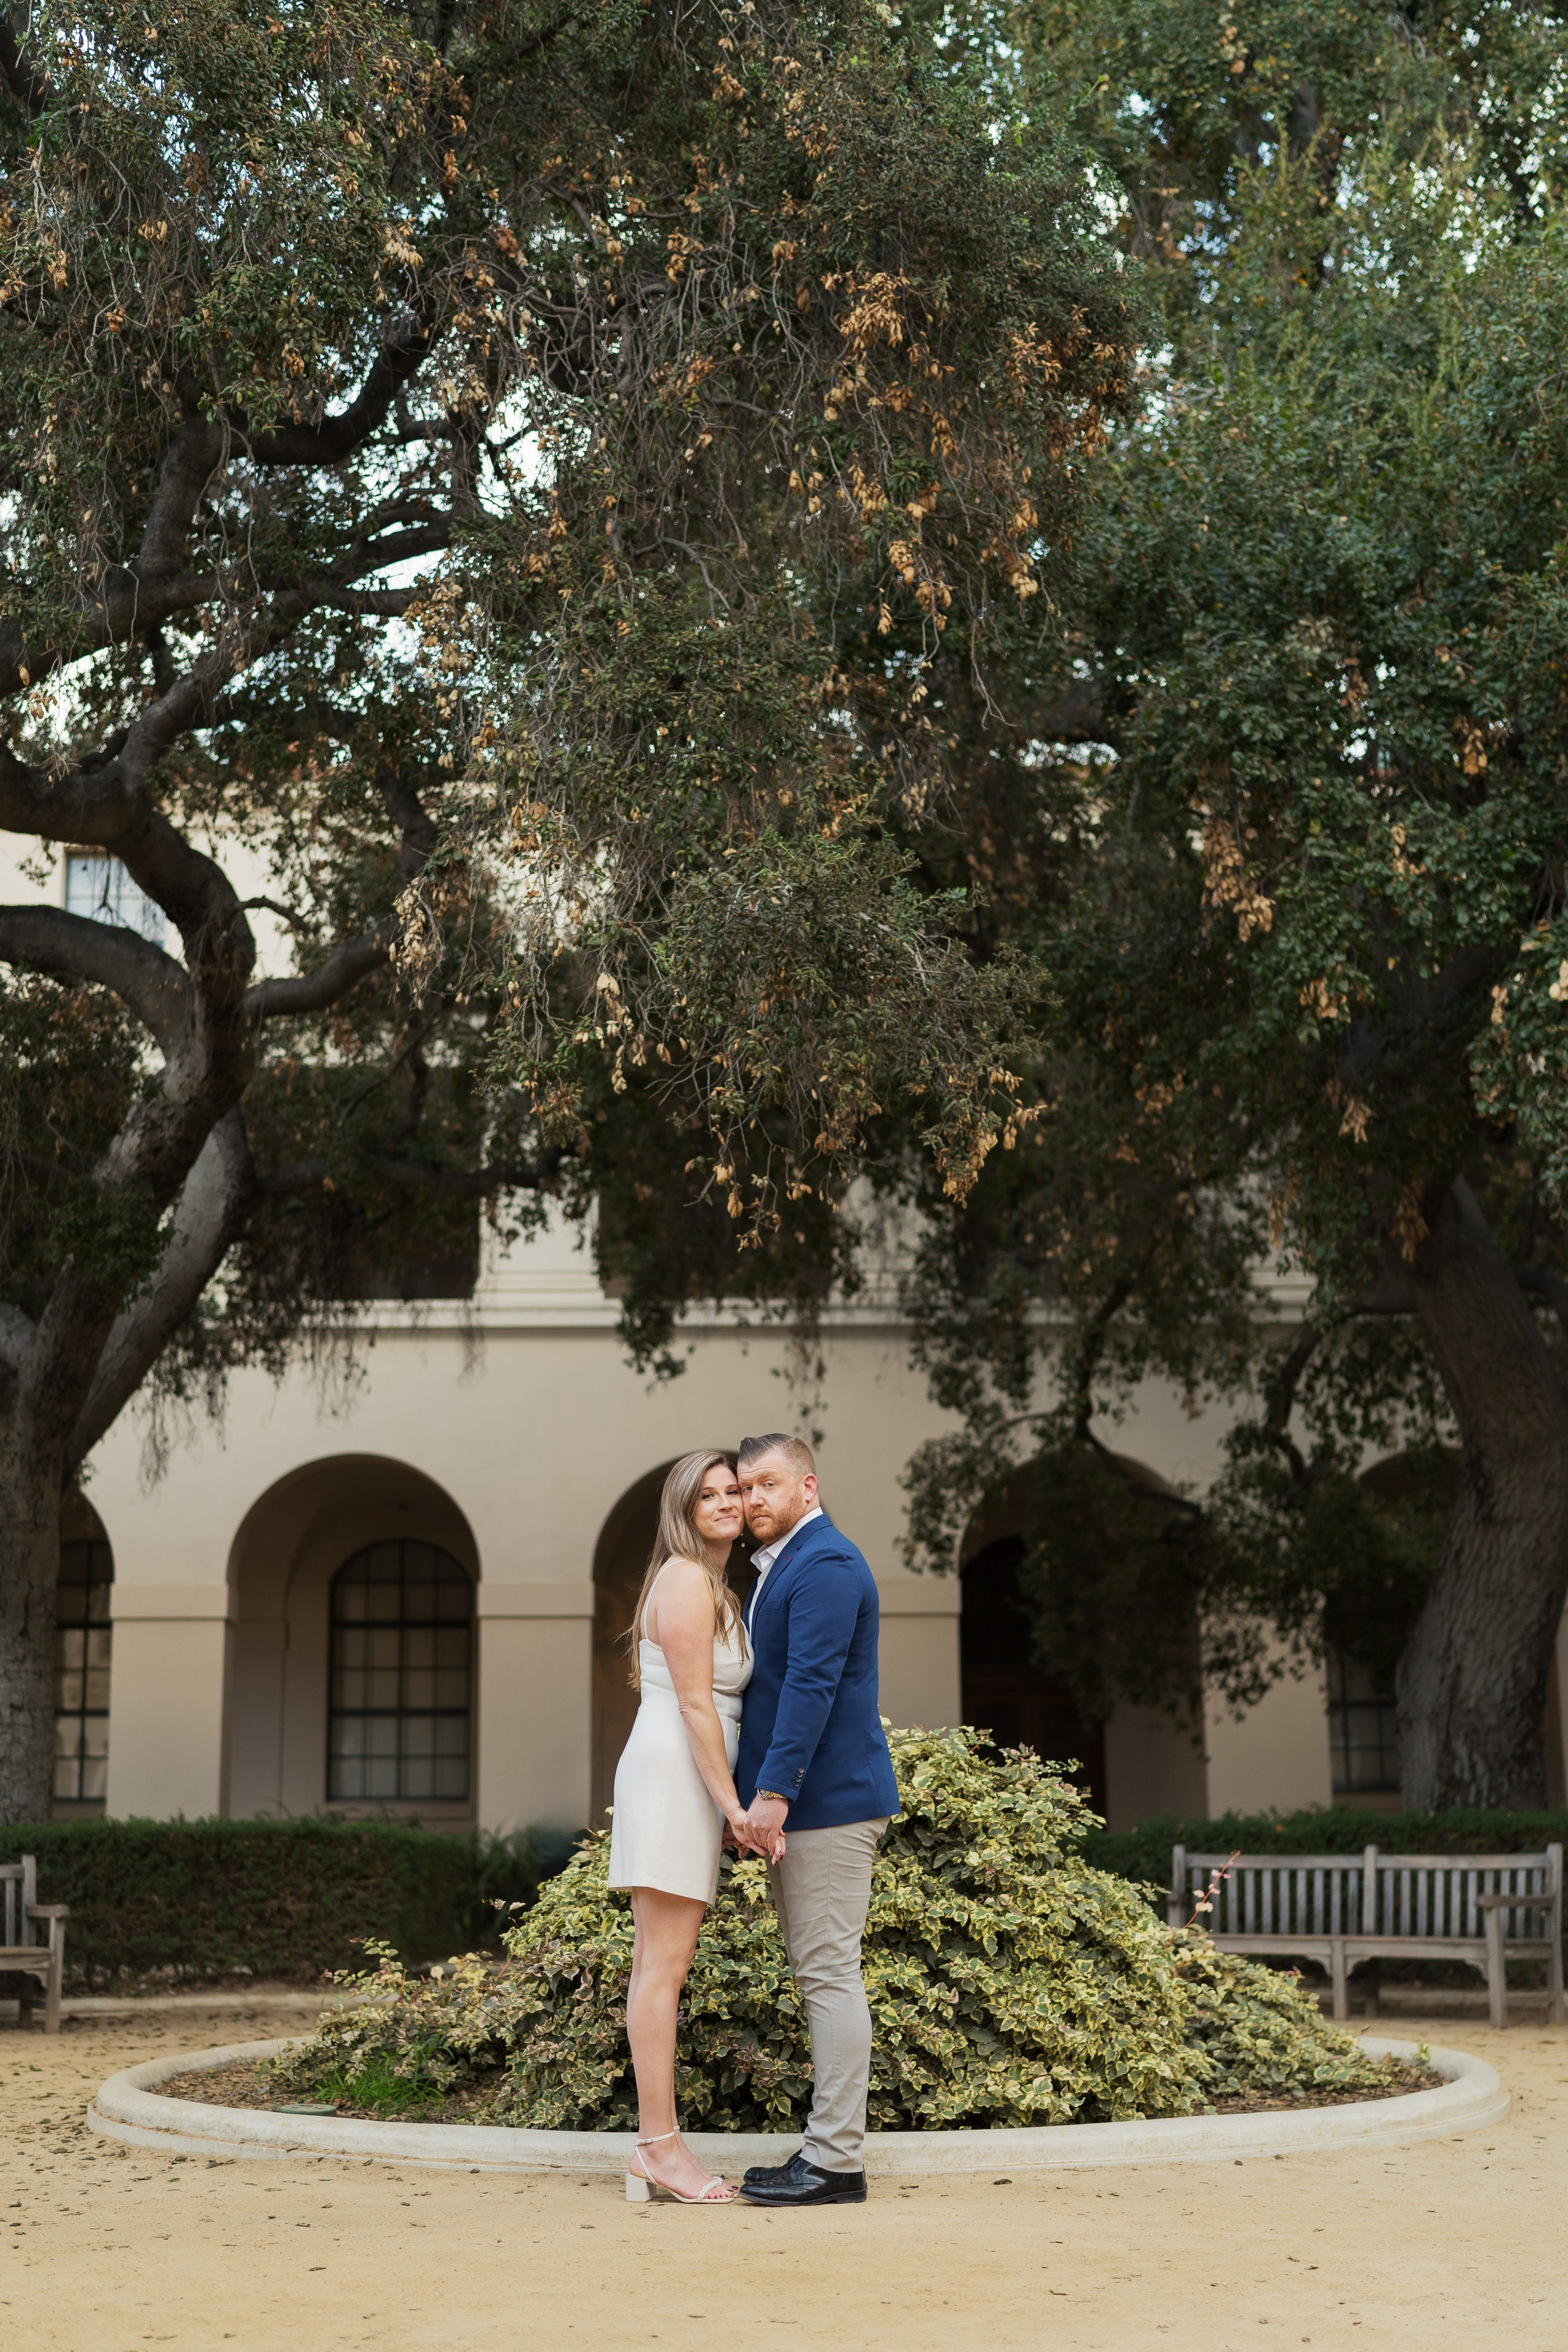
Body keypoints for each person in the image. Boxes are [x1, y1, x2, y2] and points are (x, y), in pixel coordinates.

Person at [731, 1433, 900, 2207]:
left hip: (827, 1805)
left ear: (807, 1485)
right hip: (815, 1805)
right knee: (819, 1974)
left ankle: (835, 2161)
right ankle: (825, 2150)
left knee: (829, 1975)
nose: (753, 1499)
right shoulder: (789, 1565)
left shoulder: (826, 1563)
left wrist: (774, 1792)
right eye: (744, 1487)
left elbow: (810, 1686)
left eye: (767, 1483)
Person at [608, 1449, 769, 2205]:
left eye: (733, 1490)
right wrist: (735, 1806)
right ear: (684, 1509)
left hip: (683, 1774)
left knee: (657, 1966)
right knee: (662, 1969)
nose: (726, 1502)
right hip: (675, 1775)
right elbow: (697, 1705)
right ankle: (658, 2149)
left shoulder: (711, 1584)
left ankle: (654, 2148)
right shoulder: (683, 1580)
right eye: (707, 1495)